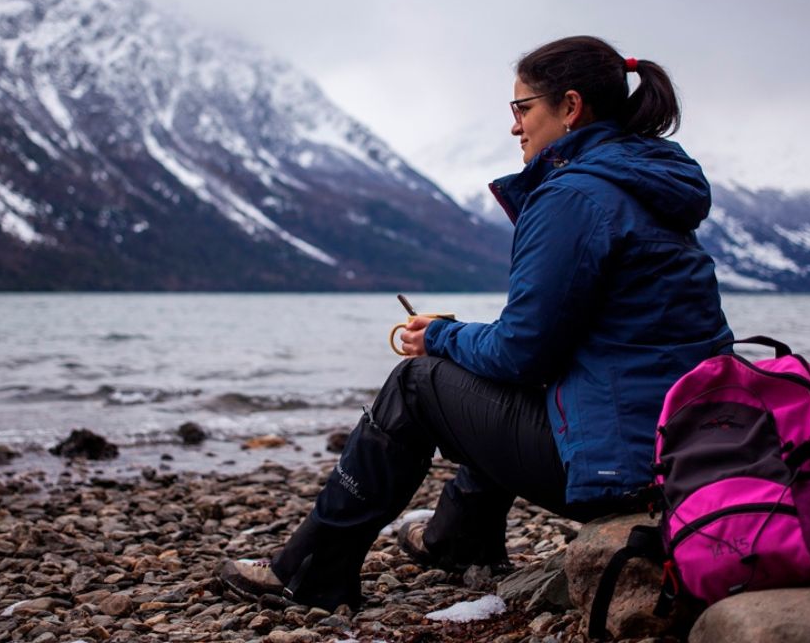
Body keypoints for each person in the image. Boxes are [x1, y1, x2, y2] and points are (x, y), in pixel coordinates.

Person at [218, 35, 733, 611]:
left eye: (522, 108)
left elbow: (521, 353)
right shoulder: (645, 183)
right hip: (680, 450)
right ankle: (461, 539)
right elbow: (553, 340)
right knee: (481, 371)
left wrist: (438, 335)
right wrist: (463, 338)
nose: (515, 126)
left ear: (569, 107)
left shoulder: (575, 197)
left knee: (418, 383)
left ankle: (309, 569)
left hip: (623, 468)